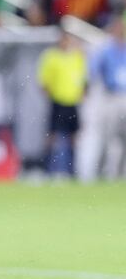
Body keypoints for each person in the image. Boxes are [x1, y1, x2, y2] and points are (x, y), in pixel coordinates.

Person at [37, 29, 87, 178]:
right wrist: (49, 94)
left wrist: (83, 93)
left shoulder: (77, 57)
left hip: (72, 102)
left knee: (73, 137)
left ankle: (72, 170)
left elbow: (83, 78)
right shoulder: (51, 57)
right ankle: (47, 169)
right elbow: (44, 80)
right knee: (52, 136)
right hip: (57, 101)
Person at [90, 16, 126, 178]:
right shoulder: (105, 49)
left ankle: (120, 173)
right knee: (109, 137)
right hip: (111, 96)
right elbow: (94, 71)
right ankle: (102, 172)